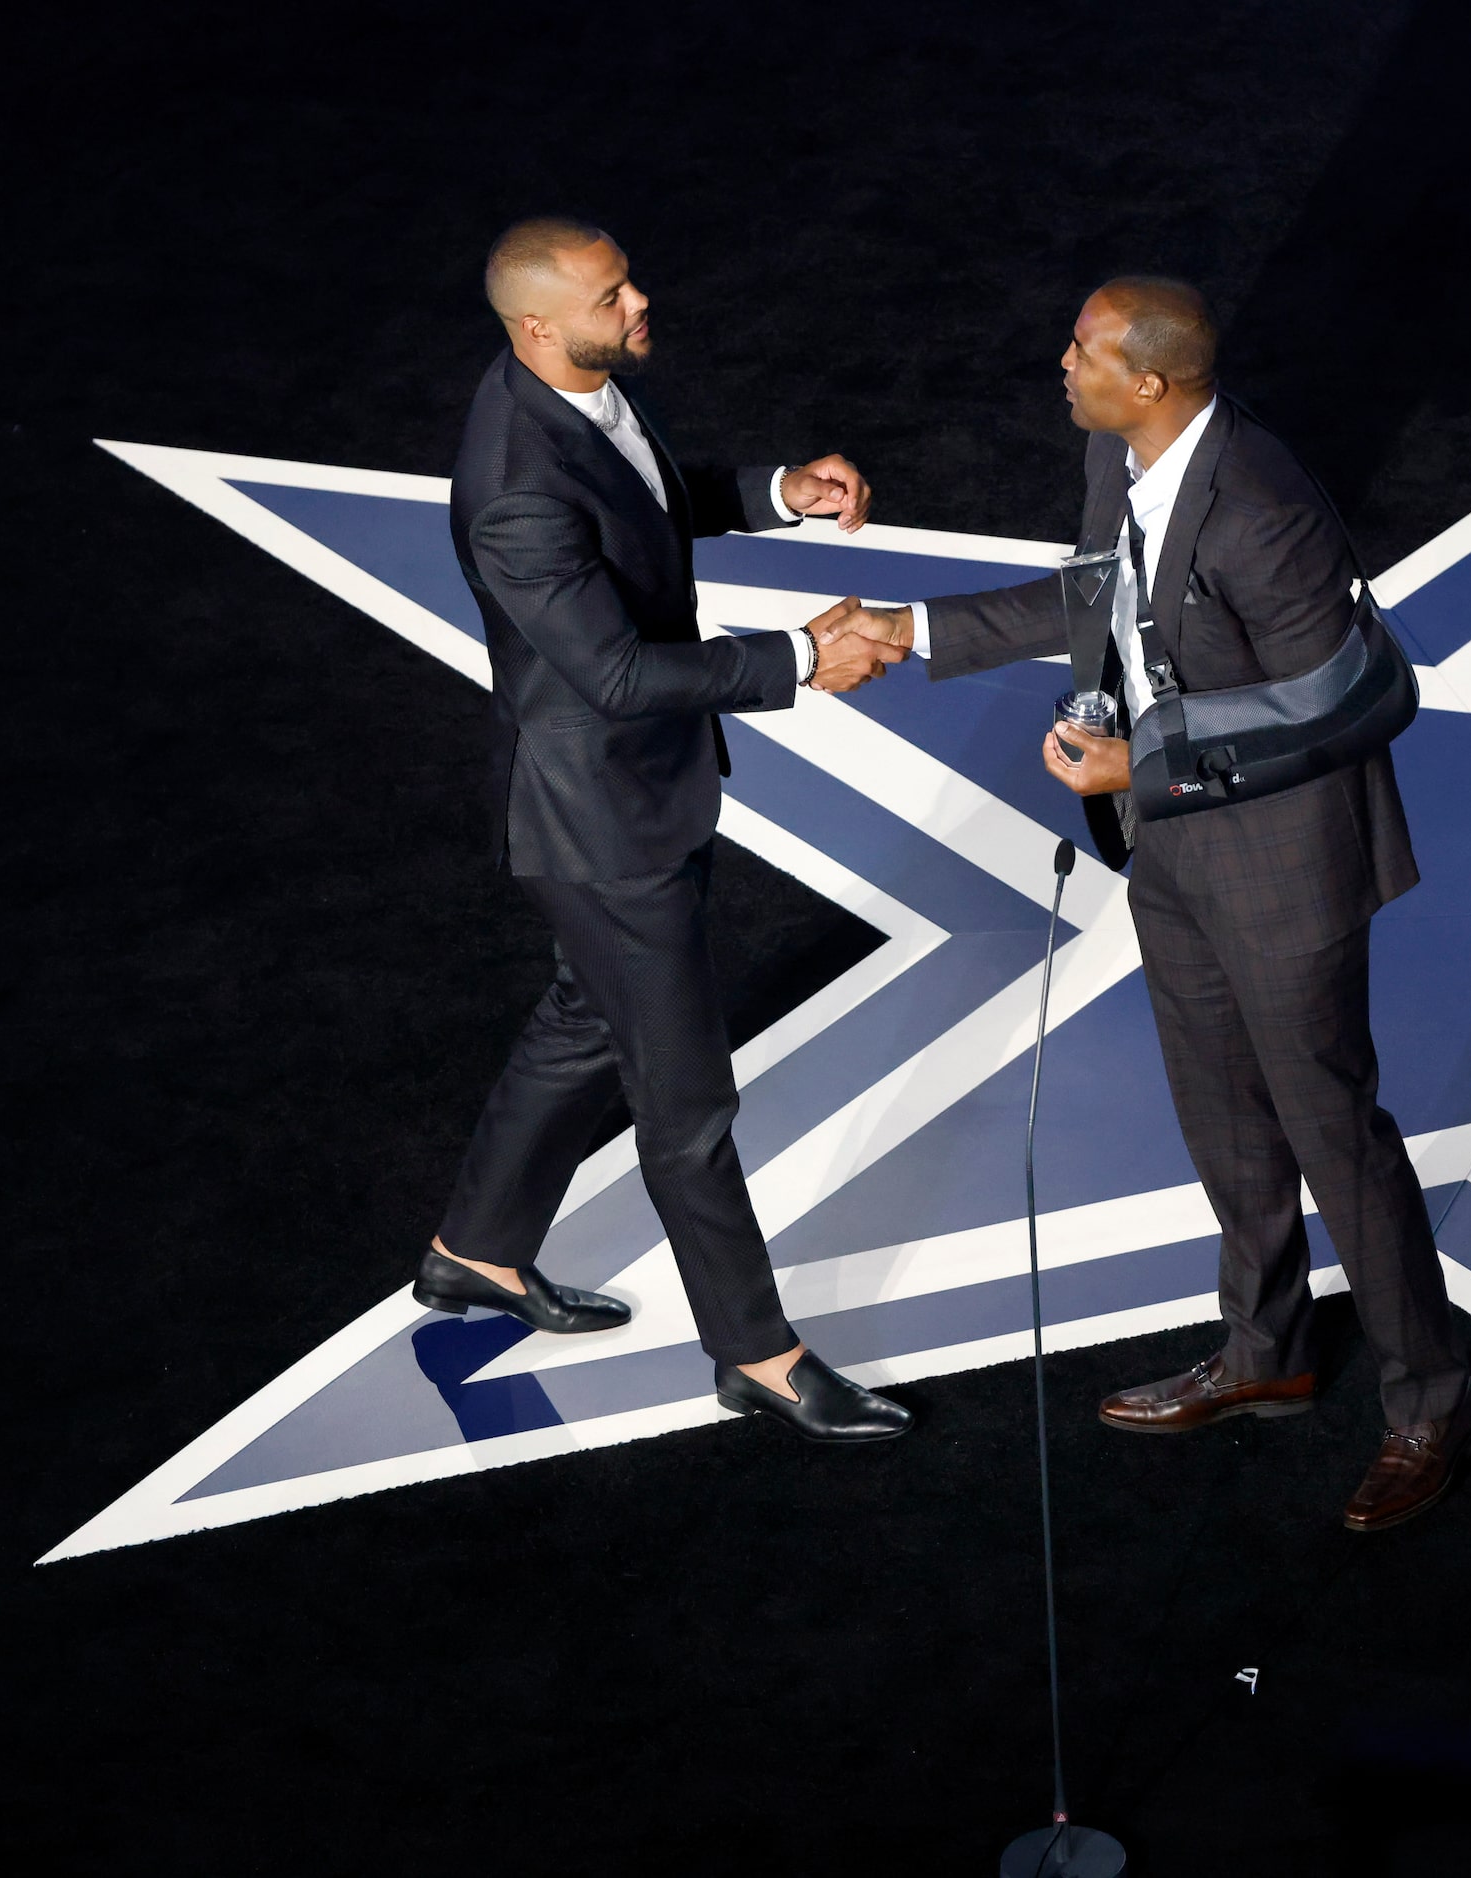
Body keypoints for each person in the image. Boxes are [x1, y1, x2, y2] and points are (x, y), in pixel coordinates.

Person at [833, 277, 1471, 1528]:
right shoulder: (1119, 450)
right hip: (1175, 852)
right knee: (1225, 1121)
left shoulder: (1265, 509)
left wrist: (1158, 759)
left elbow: (1353, 698)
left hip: (1285, 866)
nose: (1057, 364)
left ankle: (1432, 1405)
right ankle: (1264, 1357)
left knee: (1334, 1142)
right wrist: (911, 630)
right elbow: (1103, 600)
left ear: (1151, 382)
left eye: (1079, 350)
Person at [416, 216, 911, 1443]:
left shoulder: (574, 394)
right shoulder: (514, 489)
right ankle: (758, 1353)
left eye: (629, 277)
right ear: (540, 327)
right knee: (686, 1109)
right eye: (609, 295)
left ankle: (474, 1251)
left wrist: (775, 495)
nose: (639, 300)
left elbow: (644, 503)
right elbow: (620, 676)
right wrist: (805, 656)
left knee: (591, 1015)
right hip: (603, 826)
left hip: (635, 794)